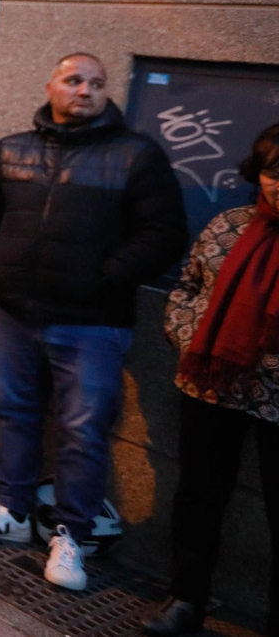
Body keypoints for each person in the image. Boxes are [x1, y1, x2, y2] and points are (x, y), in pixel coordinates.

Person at [0, 53, 187, 592]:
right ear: (51, 85)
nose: (86, 91)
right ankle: (11, 508)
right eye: (74, 80)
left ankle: (71, 535)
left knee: (83, 430)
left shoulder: (137, 155)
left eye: (97, 84)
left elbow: (165, 235)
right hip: (14, 313)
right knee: (14, 410)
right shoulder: (12, 148)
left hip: (91, 323)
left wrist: (104, 276)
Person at [146, 124, 279, 636]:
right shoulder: (229, 227)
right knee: (199, 497)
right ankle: (185, 600)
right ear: (258, 174)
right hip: (209, 385)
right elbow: (186, 287)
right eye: (273, 173)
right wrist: (187, 337)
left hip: (276, 398)